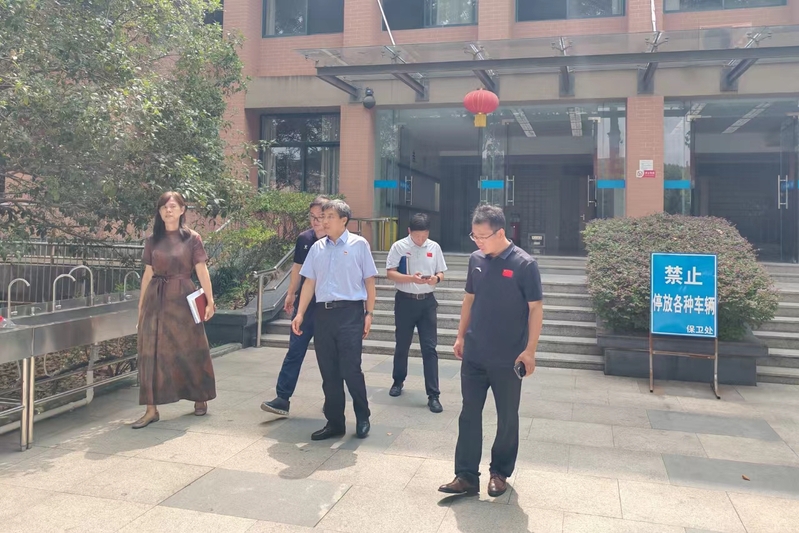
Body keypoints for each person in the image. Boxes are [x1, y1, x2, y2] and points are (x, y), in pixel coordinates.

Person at [439, 204, 543, 497]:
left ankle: (499, 472)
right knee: (469, 414)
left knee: (507, 417)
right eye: (474, 236)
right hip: (474, 353)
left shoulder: (524, 264)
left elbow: (536, 309)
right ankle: (466, 475)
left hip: (508, 357)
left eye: (482, 237)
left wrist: (530, 350)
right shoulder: (475, 259)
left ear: (500, 233)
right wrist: (460, 336)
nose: (478, 242)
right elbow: (469, 299)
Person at [291, 199, 378, 440]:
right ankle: (335, 422)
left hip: (350, 313)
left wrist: (369, 313)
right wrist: (300, 313)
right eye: (323, 217)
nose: (324, 221)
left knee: (351, 369)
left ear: (343, 220)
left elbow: (370, 281)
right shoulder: (317, 248)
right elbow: (309, 283)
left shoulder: (359, 245)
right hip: (323, 314)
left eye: (330, 217)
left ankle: (362, 416)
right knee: (328, 371)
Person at [134, 191, 217, 429]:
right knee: (151, 352)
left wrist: (210, 300)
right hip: (156, 298)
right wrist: (141, 306)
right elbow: (147, 274)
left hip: (184, 298)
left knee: (191, 347)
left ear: (182, 210)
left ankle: (199, 395)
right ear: (159, 212)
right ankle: (151, 409)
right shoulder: (152, 240)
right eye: (164, 207)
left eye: (172, 206)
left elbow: (201, 270)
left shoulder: (192, 238)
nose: (168, 210)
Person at [261, 195, 328, 417]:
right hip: (305, 306)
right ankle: (282, 398)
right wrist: (290, 294)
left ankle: (332, 399)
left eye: (320, 216)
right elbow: (297, 268)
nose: (316, 221)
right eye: (312, 216)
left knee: (328, 356)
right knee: (295, 350)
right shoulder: (304, 239)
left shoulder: (337, 240)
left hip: (328, 307)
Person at [385, 213, 447, 413]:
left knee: (430, 348)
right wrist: (411, 278)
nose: (421, 240)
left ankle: (433, 395)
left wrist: (436, 279)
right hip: (405, 301)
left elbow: (441, 272)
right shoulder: (399, 247)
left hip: (427, 303)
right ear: (409, 231)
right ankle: (398, 381)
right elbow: (390, 273)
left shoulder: (434, 247)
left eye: (424, 236)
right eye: (417, 236)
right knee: (402, 344)